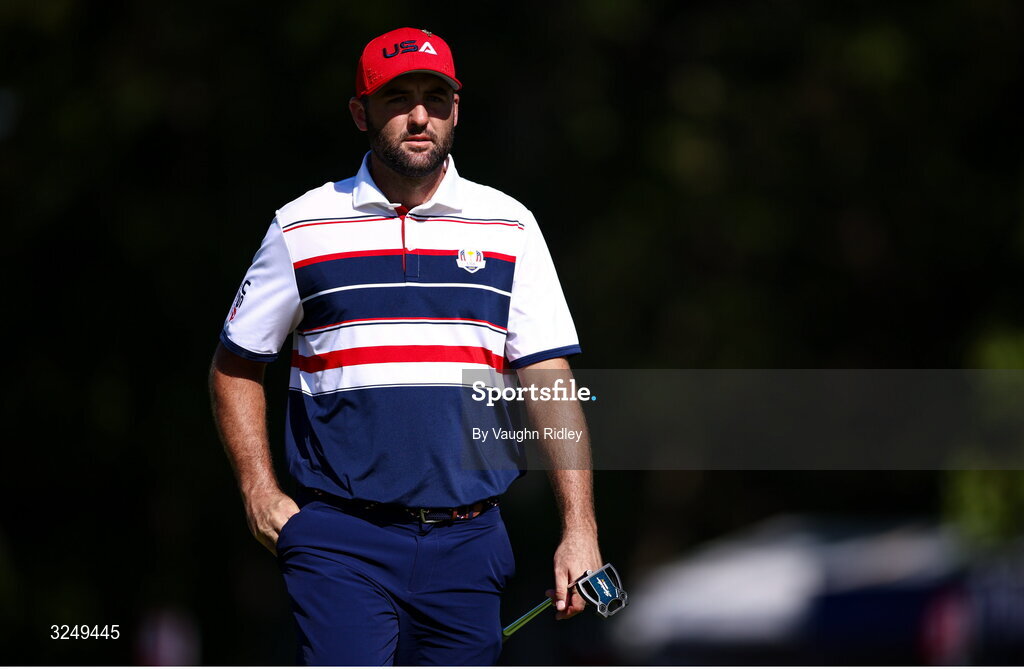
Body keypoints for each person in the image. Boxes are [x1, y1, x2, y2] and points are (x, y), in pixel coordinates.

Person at [209, 27, 602, 665]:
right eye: (398, 98)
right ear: (361, 113)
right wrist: (259, 489)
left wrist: (579, 530)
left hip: (470, 541)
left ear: (456, 109)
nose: (419, 116)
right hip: (340, 538)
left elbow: (548, 381)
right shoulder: (301, 225)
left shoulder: (510, 223)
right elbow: (235, 366)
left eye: (436, 97)